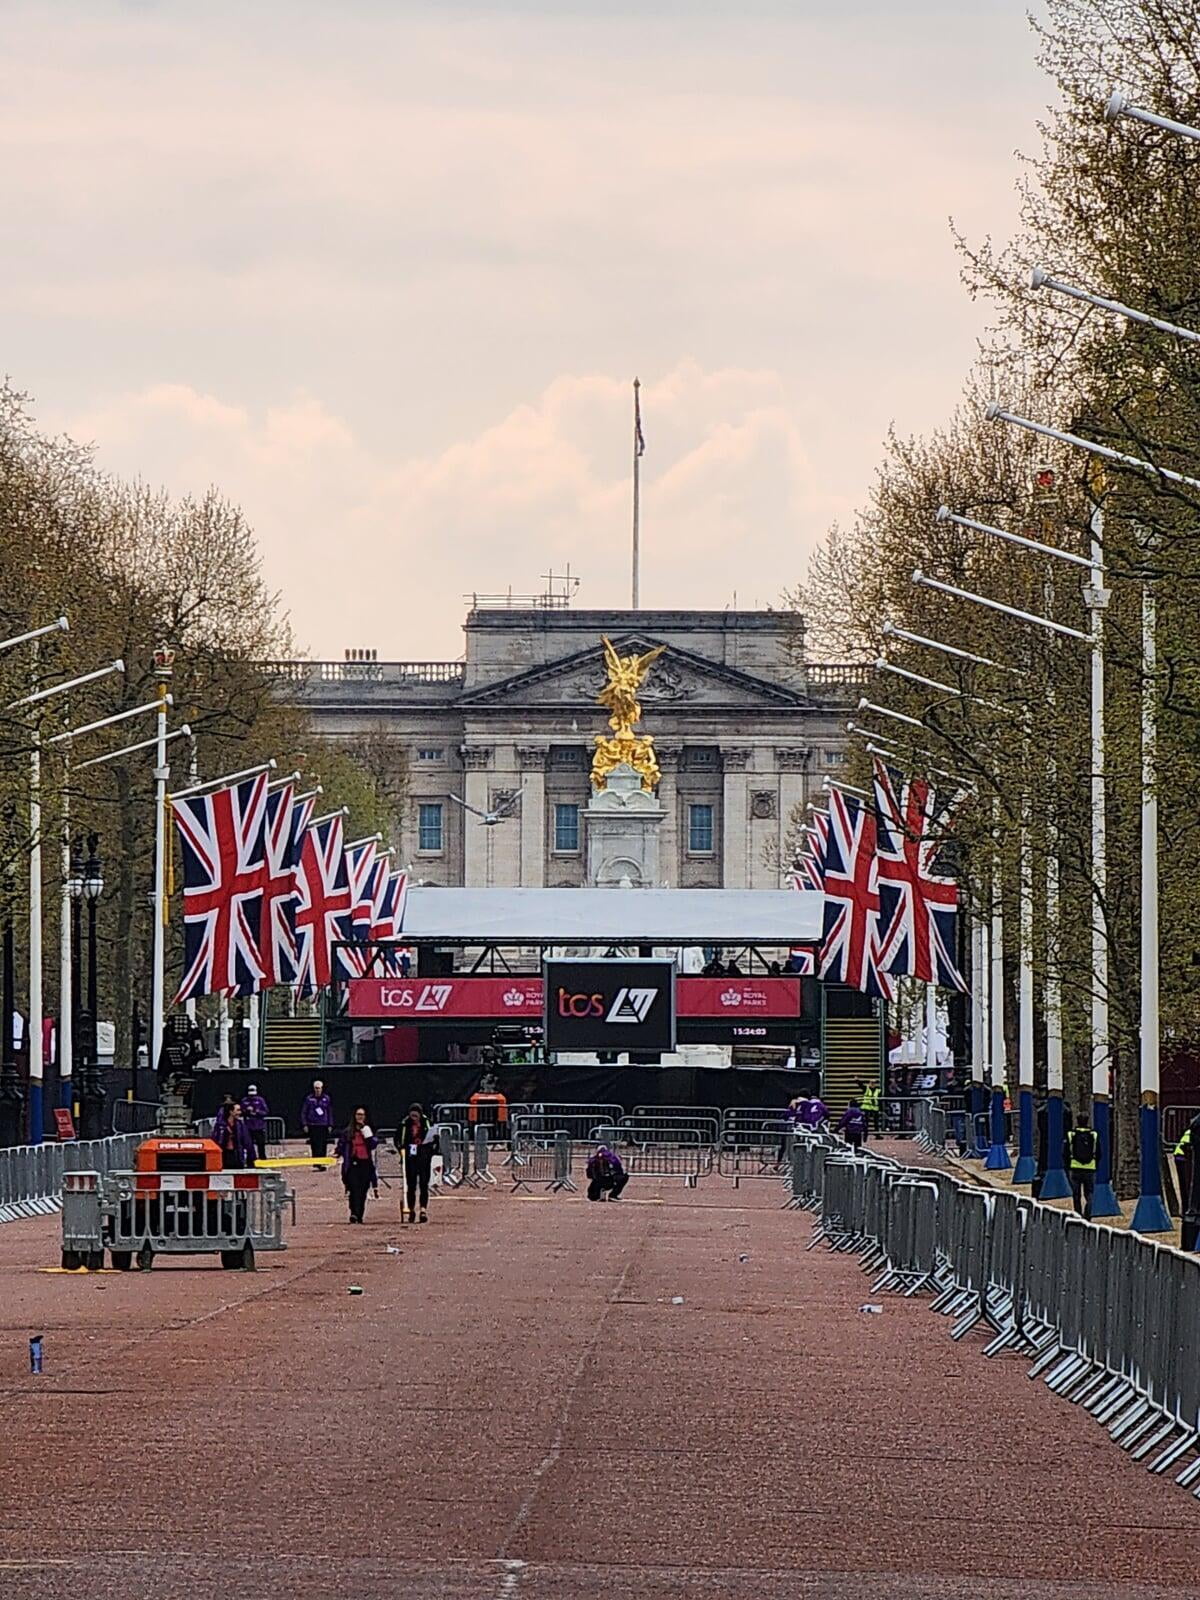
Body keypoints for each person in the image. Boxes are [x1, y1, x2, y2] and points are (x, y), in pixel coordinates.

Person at [336, 1107, 379, 1224]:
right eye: (358, 1114)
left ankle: (359, 1214)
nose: (360, 1117)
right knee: (353, 1189)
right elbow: (341, 1145)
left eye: (362, 1115)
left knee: (363, 1190)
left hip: (365, 1164)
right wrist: (337, 1152)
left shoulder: (368, 1130)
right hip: (353, 1163)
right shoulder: (348, 1132)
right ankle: (353, 1213)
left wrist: (368, 1135)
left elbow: (373, 1145)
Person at [396, 1103, 436, 1223]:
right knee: (411, 1186)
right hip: (410, 1158)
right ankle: (411, 1210)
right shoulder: (404, 1124)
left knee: (424, 1184)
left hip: (424, 1158)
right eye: (412, 1113)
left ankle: (423, 1210)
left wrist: (430, 1149)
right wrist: (402, 1149)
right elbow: (398, 1139)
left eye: (416, 1113)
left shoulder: (426, 1123)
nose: (414, 1115)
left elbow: (434, 1138)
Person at [1065, 1116, 1098, 1219]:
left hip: (1075, 1167)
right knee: (1090, 1193)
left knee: (1076, 1194)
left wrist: (1068, 1164)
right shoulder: (1093, 1135)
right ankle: (1088, 1214)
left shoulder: (1071, 1134)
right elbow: (1099, 1152)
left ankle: (1078, 1214)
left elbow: (1065, 1152)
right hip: (1090, 1168)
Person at [213, 1102, 256, 1170]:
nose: (240, 1112)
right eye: (238, 1110)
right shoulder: (220, 1125)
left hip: (237, 1156)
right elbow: (215, 1141)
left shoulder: (241, 1125)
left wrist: (251, 1158)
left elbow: (248, 1142)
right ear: (231, 1112)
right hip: (224, 1156)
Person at [301, 1079, 333, 1169]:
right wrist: (305, 1124)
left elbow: (329, 1112)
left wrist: (330, 1124)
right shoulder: (309, 1099)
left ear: (322, 1088)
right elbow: (304, 1112)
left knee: (323, 1144)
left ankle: (322, 1162)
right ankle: (315, 1162)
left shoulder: (326, 1098)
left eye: (319, 1088)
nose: (317, 1090)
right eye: (316, 1088)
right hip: (312, 1125)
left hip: (323, 1125)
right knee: (314, 1144)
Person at [241, 1083, 270, 1163]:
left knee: (261, 1143)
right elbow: (240, 1112)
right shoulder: (244, 1100)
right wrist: (246, 1111)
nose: (252, 1097)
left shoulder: (260, 1100)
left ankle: (262, 1159)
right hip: (248, 1127)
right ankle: (250, 1160)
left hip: (258, 1126)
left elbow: (266, 1112)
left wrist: (257, 1112)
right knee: (249, 1144)